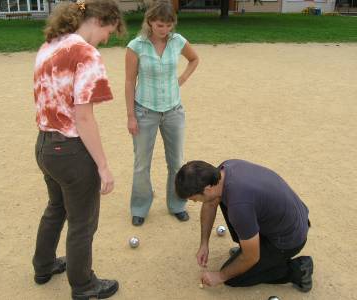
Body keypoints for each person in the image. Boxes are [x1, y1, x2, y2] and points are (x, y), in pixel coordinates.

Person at [32, 1, 125, 299]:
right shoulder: (85, 53)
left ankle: (43, 265)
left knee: (56, 208)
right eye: (108, 31)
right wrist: (103, 165)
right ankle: (84, 286)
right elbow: (83, 117)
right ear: (98, 21)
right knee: (82, 222)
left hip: (45, 145)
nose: (106, 39)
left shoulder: (50, 45)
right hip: (71, 151)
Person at [175, 159, 314, 292]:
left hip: (289, 240)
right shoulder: (225, 169)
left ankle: (299, 270)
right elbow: (210, 202)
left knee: (234, 278)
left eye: (194, 199)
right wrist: (204, 243)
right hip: (287, 219)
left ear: (206, 189)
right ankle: (250, 245)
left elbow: (251, 257)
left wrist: (220, 276)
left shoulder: (239, 206)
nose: (194, 202)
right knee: (220, 200)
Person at [125, 0, 199, 226]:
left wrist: (183, 79)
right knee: (141, 164)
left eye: (168, 25)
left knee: (176, 162)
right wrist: (130, 116)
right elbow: (129, 81)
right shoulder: (136, 46)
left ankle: (177, 204)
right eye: (160, 25)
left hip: (173, 111)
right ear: (149, 22)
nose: (165, 30)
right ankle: (139, 207)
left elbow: (194, 59)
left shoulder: (178, 41)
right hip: (144, 111)